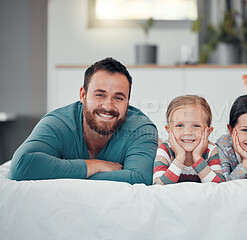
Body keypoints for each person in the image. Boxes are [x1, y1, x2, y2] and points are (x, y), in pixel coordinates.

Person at [9, 57, 158, 185]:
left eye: (118, 98)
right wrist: (94, 166)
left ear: (128, 101)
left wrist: (60, 171)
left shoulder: (141, 129)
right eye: (100, 95)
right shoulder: (59, 123)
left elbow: (139, 178)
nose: (108, 106)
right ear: (83, 95)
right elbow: (22, 166)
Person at [153, 95, 225, 185]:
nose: (187, 132)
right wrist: (179, 158)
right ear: (169, 130)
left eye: (196, 126)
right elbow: (158, 187)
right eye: (179, 125)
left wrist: (198, 157)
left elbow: (220, 186)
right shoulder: (165, 150)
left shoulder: (210, 149)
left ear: (208, 131)